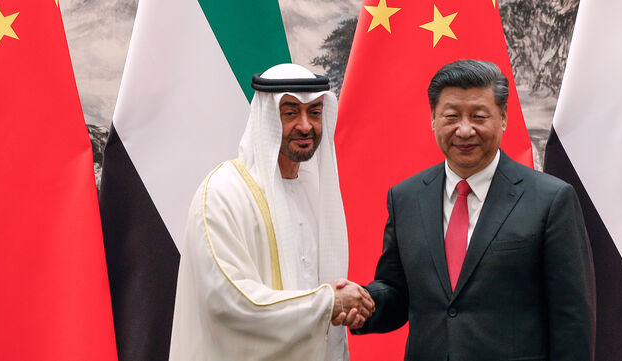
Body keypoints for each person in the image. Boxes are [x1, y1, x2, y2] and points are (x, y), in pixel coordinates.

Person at [353, 59, 596, 360]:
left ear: (503, 117)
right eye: (452, 116)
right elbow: (397, 291)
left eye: (479, 116)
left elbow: (572, 318)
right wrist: (362, 304)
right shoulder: (405, 198)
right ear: (433, 118)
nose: (465, 130)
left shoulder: (551, 200)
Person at [169, 63, 373, 361]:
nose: (305, 126)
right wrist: (328, 303)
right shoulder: (223, 193)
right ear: (266, 118)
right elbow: (230, 302)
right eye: (290, 113)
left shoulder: (313, 190)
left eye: (315, 112)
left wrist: (344, 304)